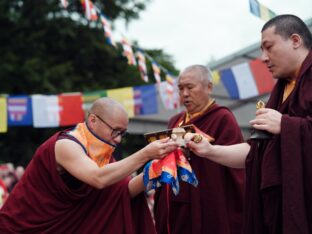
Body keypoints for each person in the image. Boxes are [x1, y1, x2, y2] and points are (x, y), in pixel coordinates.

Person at [185, 15, 312, 234]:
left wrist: (286, 125)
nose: (263, 57)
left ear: (295, 40)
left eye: (268, 47)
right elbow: (255, 152)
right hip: (277, 208)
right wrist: (209, 151)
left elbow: (287, 128)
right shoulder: (280, 91)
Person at [0, 97, 179, 233]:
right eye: (115, 131)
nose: (117, 139)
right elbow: (98, 178)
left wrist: (159, 165)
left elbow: (122, 191)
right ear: (93, 120)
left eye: (122, 134)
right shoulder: (66, 145)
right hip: (25, 227)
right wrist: (146, 153)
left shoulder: (101, 153)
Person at [153, 65, 245, 234]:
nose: (185, 94)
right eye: (181, 89)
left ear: (209, 87)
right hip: (174, 199)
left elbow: (235, 168)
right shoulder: (175, 121)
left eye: (190, 87)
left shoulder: (222, 118)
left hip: (206, 200)